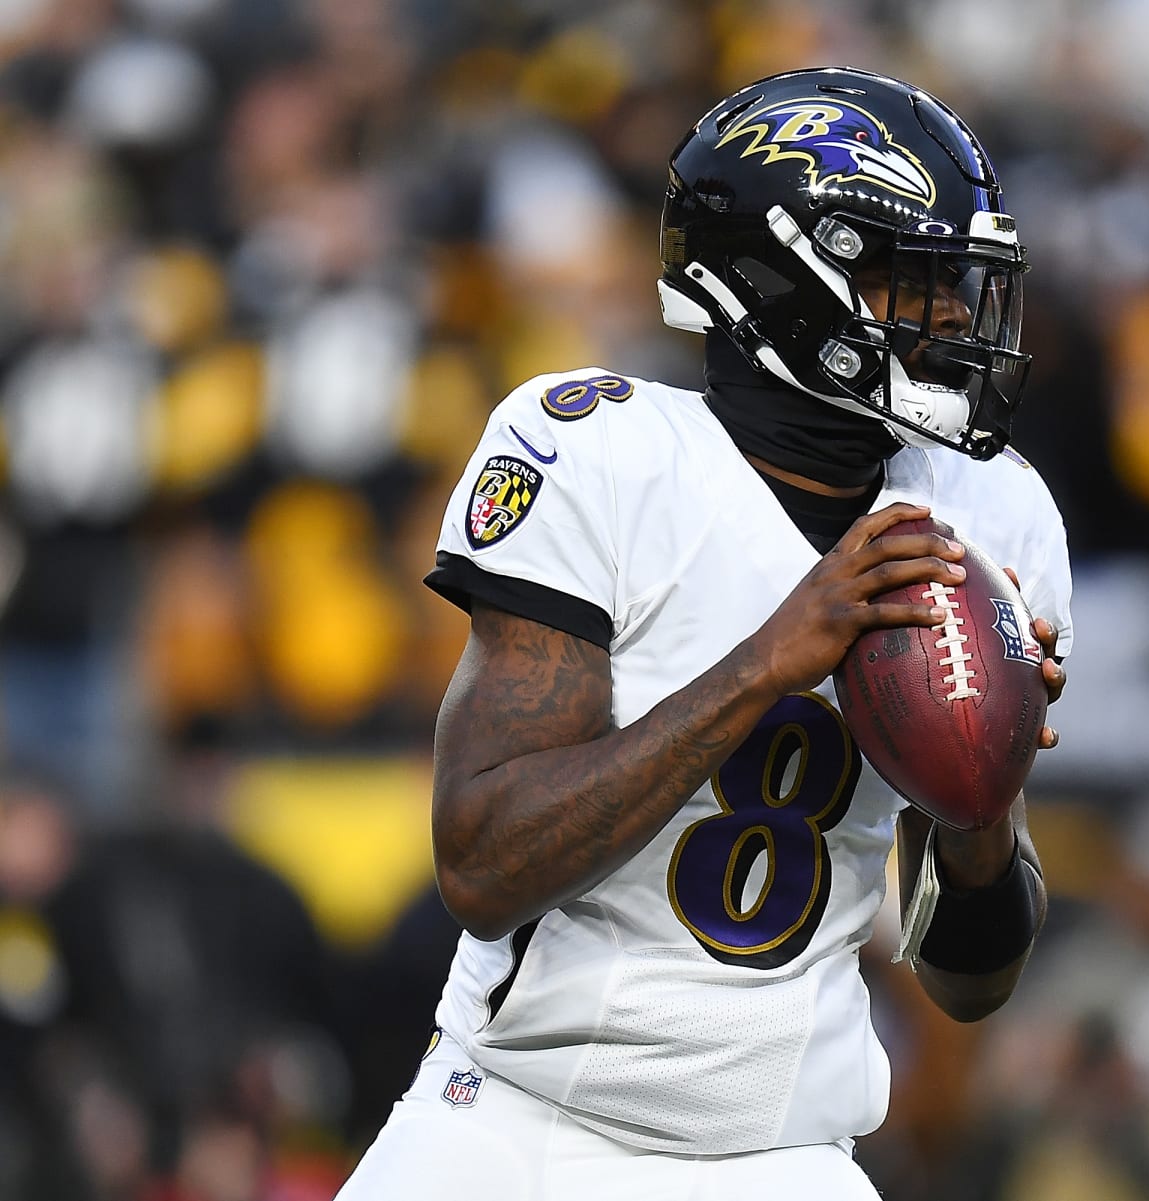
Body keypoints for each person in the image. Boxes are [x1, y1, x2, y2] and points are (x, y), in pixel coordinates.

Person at [336, 66, 1073, 1201]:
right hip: (525, 1128)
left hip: (785, 1156)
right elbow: (482, 863)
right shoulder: (594, 449)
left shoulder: (993, 513)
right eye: (900, 279)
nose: (946, 318)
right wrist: (770, 661)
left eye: (953, 285)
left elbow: (972, 983)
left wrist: (982, 779)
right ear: (783, 279)